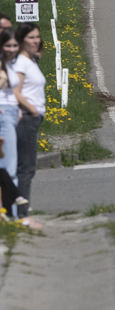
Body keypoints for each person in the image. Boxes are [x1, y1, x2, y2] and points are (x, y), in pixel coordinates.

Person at [13, 22, 45, 227]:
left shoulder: (29, 61)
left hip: (31, 119)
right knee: (26, 168)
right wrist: (32, 109)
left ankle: (19, 211)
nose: (36, 41)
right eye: (31, 37)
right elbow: (15, 91)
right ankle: (22, 215)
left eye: (37, 37)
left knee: (23, 167)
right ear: (21, 39)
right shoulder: (20, 64)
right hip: (26, 119)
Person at [0, 29, 21, 202]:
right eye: (8, 46)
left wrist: (18, 108)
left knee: (9, 163)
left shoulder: (11, 63)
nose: (12, 49)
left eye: (15, 45)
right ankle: (10, 214)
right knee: (8, 165)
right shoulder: (1, 65)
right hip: (4, 113)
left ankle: (11, 213)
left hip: (12, 112)